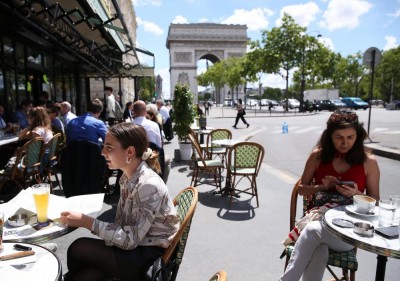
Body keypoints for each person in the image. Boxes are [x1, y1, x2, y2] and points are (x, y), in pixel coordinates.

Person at [61, 123, 179, 281]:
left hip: (148, 256)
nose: (102, 152)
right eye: (103, 146)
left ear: (130, 151)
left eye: (109, 147)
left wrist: (86, 222)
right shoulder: (127, 177)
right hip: (137, 246)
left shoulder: (148, 185)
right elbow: (123, 225)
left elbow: (130, 239)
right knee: (82, 275)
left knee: (78, 248)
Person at [280, 110, 380, 281]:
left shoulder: (368, 162)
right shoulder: (317, 156)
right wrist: (321, 186)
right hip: (318, 221)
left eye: (350, 137)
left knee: (312, 231)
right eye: (339, 137)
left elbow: (376, 202)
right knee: (320, 249)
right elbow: (302, 189)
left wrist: (356, 194)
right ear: (329, 136)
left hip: (348, 232)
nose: (345, 142)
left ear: (358, 136)